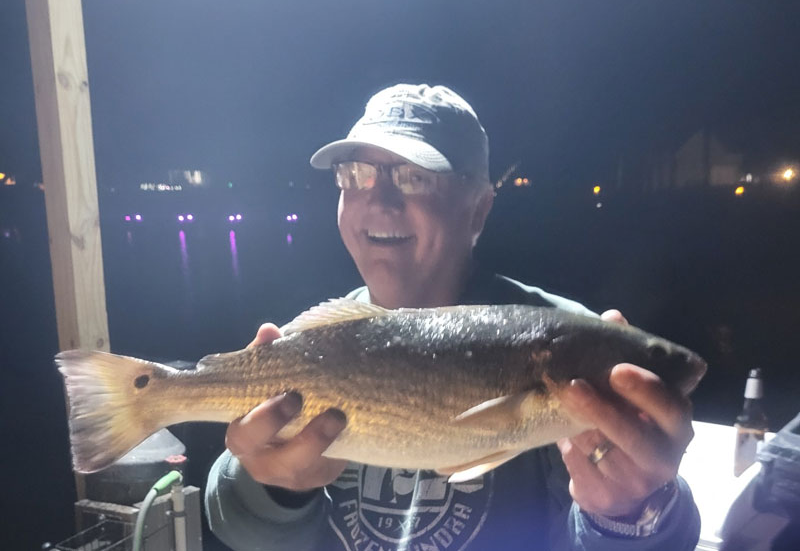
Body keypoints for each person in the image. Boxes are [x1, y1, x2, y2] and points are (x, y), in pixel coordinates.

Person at [205, 83, 701, 550]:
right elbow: (240, 528)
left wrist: (634, 511)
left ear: (479, 209)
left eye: (414, 177)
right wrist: (274, 488)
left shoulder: (565, 339)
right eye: (355, 175)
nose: (379, 199)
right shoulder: (315, 341)